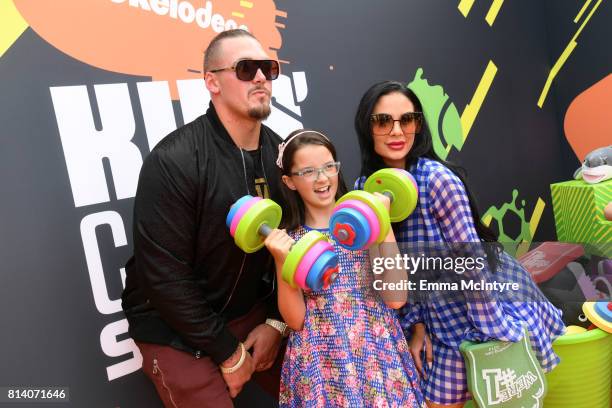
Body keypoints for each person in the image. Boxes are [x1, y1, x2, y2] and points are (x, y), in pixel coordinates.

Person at [353, 81, 565, 408]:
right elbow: (385, 273)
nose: (396, 131)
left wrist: (494, 332)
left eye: (406, 120)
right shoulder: (363, 190)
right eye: (383, 121)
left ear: (418, 125)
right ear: (367, 127)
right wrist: (417, 323)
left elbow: (470, 262)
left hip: (475, 304)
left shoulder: (438, 179)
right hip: (424, 312)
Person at [121, 29, 289, 408]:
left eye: (268, 68)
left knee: (319, 384)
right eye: (246, 68)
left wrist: (276, 324)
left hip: (248, 311)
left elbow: (290, 246)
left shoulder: (281, 155)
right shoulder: (174, 160)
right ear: (211, 81)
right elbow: (163, 277)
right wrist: (229, 353)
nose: (261, 77)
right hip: (172, 324)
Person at [263, 129, 426, 407]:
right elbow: (295, 320)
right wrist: (282, 260)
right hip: (322, 358)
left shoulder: (365, 221)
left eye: (329, 167)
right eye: (308, 171)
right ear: (289, 182)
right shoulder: (289, 240)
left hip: (376, 351)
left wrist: (382, 223)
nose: (323, 178)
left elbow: (396, 297)